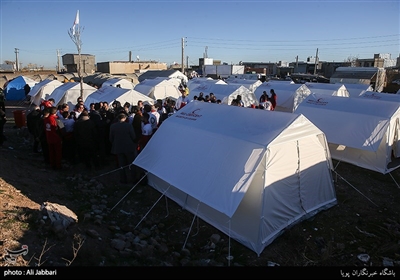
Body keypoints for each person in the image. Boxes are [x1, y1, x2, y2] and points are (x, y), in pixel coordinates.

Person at [109, 113, 138, 184]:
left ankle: (123, 179)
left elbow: (110, 138)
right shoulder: (128, 125)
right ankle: (133, 178)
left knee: (121, 164)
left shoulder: (113, 126)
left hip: (118, 147)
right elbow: (133, 136)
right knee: (131, 163)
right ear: (125, 118)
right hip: (128, 147)